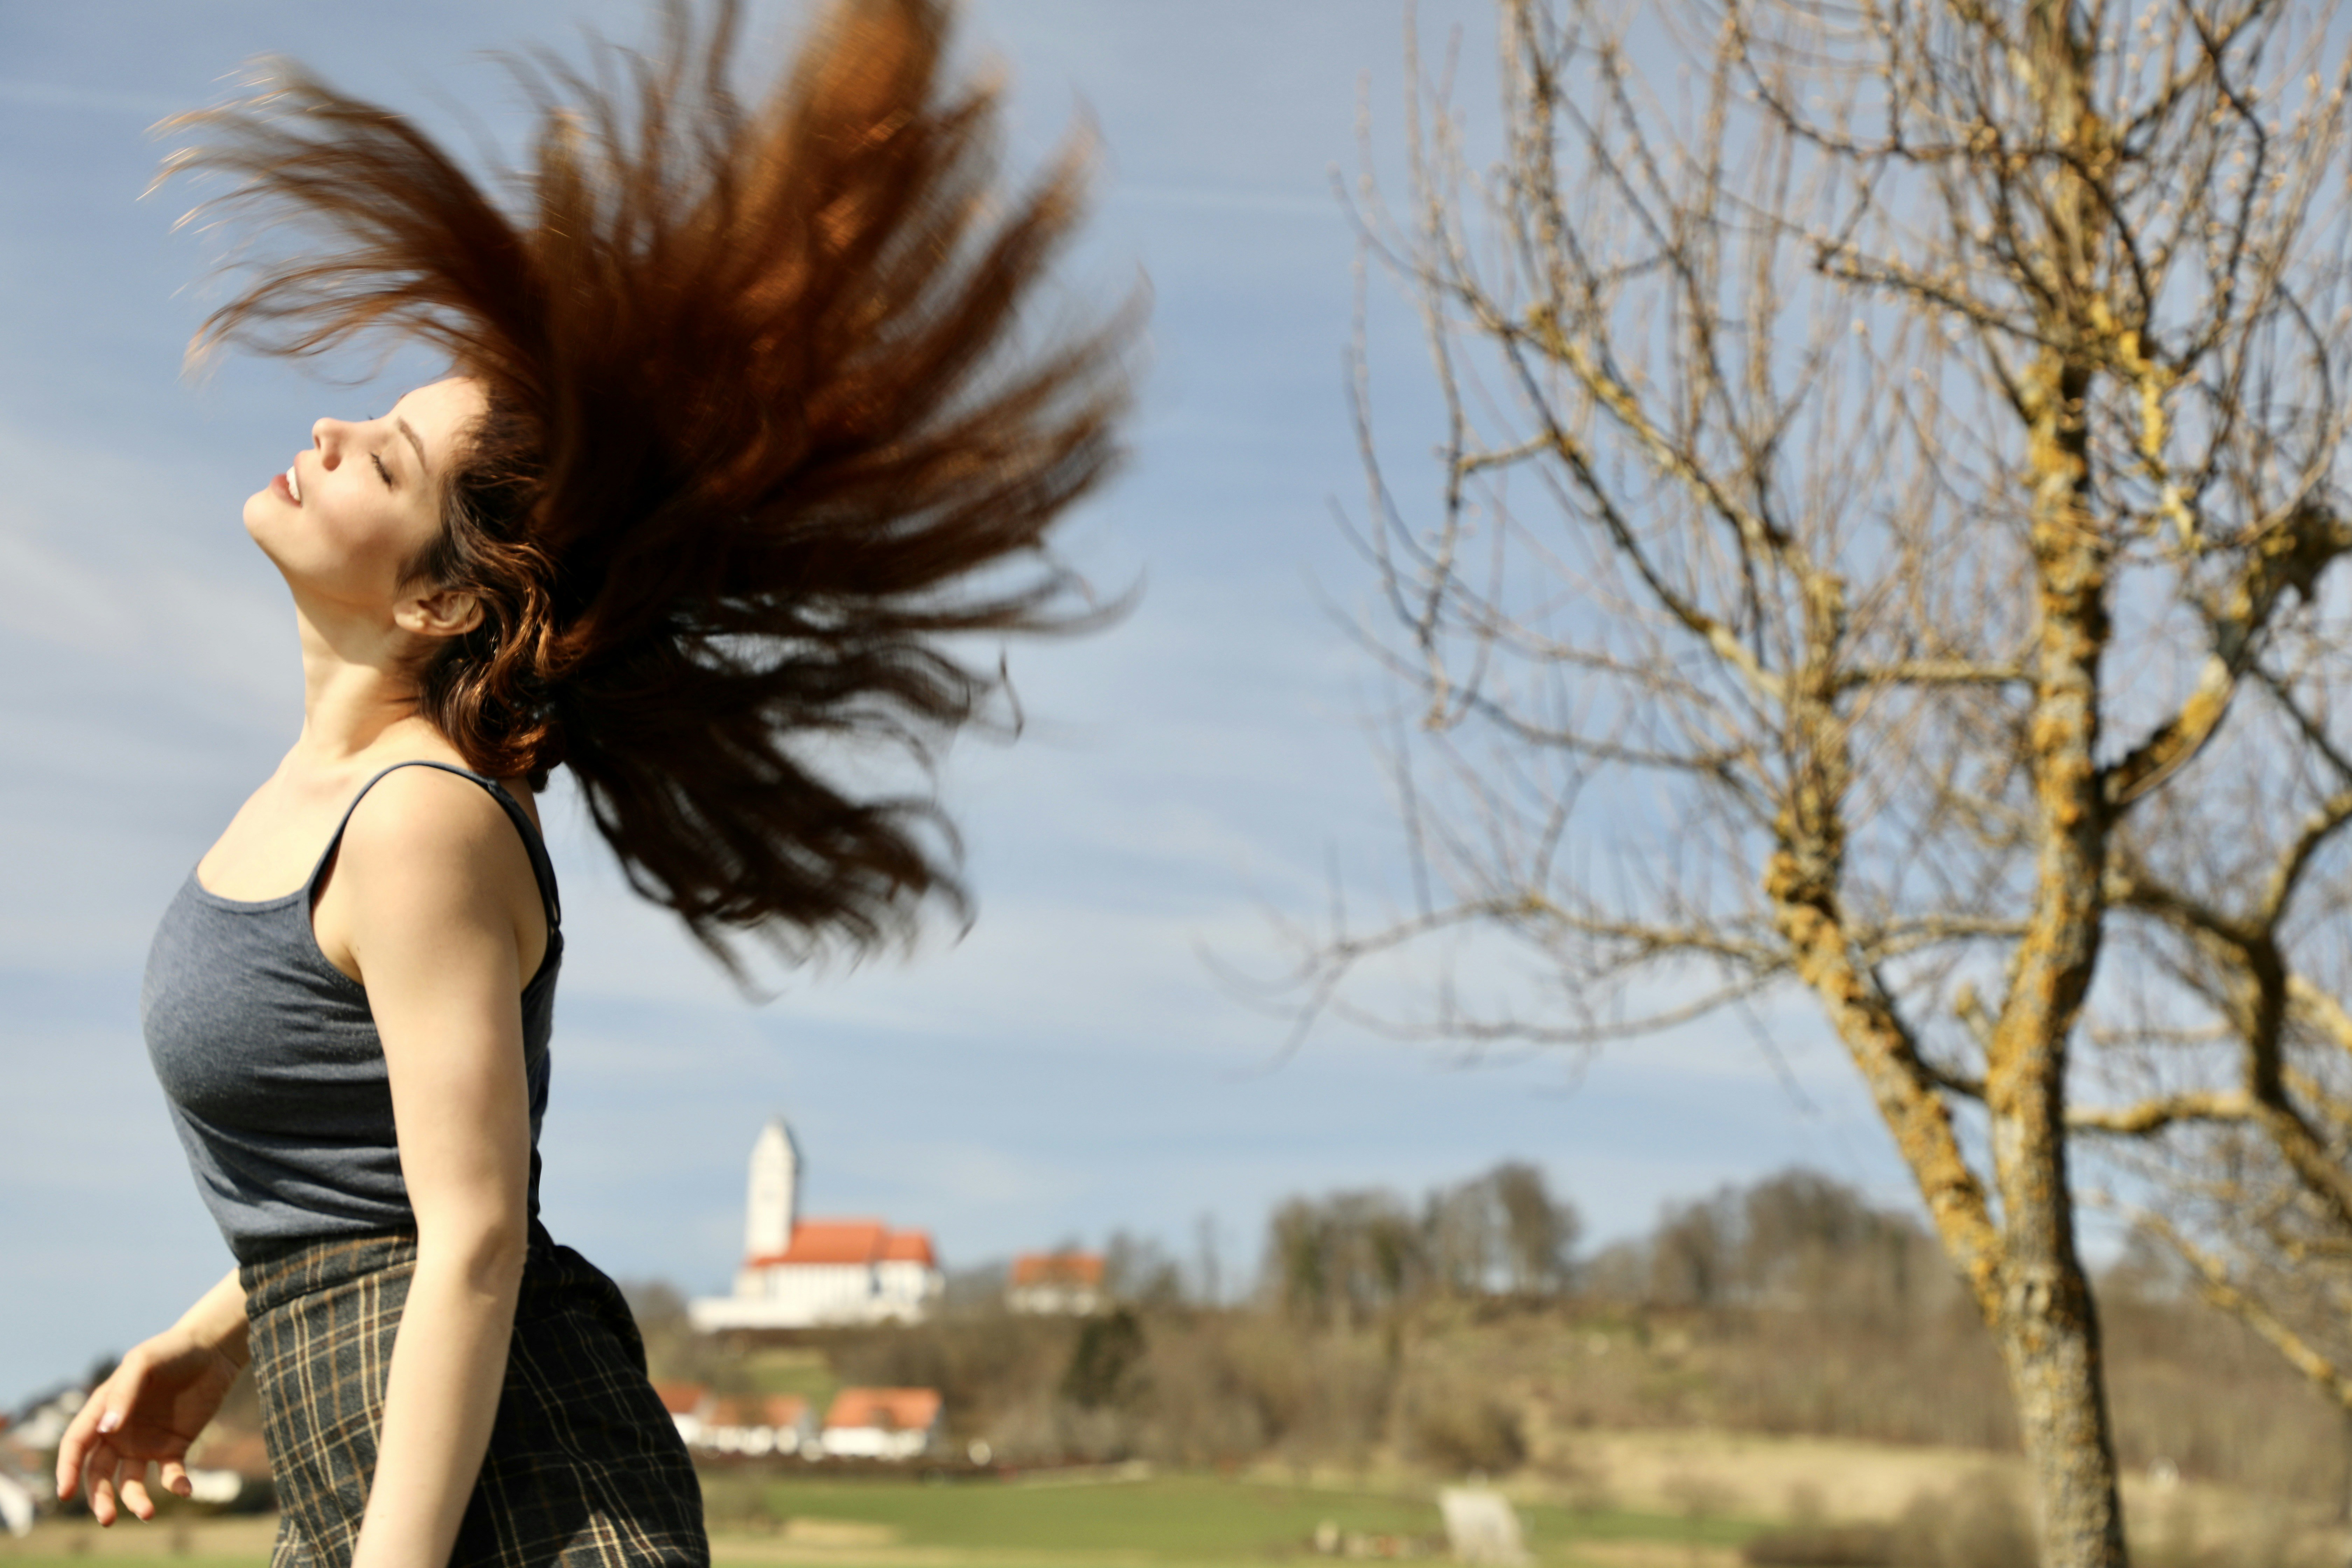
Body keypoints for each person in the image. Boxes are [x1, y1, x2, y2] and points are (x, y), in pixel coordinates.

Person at [52, 1, 1136, 1563]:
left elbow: (479, 1234)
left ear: (436, 601)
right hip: (380, 1475)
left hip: (521, 1499)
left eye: (387, 460)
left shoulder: (416, 822)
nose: (330, 425)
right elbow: (375, 1184)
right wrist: (215, 1331)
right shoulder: (317, 801)